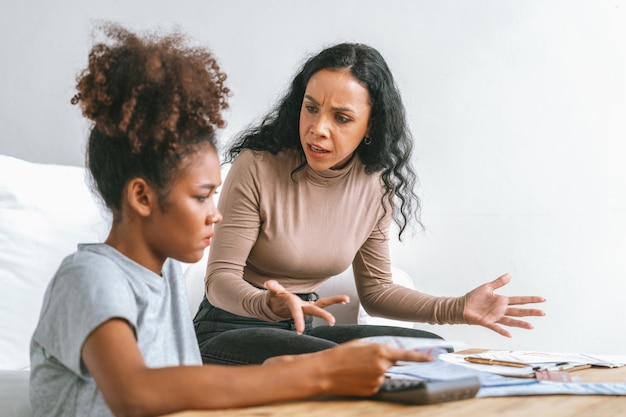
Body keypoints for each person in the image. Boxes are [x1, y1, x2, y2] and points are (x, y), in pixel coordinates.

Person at [29, 24, 434, 417]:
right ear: (142, 197)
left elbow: (181, 394)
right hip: (230, 329)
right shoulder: (89, 277)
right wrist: (303, 374)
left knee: (424, 360)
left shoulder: (161, 278)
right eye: (203, 196)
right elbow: (135, 394)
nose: (216, 213)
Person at [193, 42, 546, 365]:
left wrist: (458, 308)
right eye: (311, 108)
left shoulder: (374, 186)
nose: (318, 128)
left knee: (430, 350)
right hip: (227, 331)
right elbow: (220, 279)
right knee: (344, 361)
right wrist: (266, 304)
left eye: (341, 118)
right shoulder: (257, 166)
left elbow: (376, 292)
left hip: (300, 333)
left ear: (370, 125)